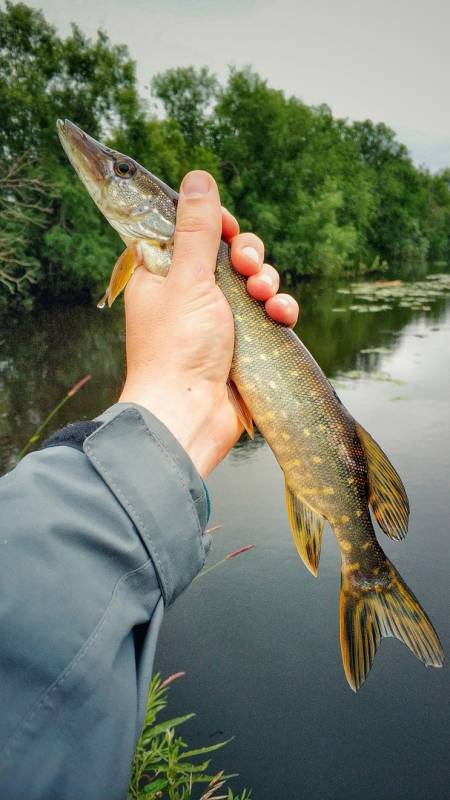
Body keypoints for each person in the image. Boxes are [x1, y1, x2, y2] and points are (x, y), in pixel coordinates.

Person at [0, 171, 299, 800]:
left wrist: (179, 403)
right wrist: (179, 399)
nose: (107, 173)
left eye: (123, 174)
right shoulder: (147, 251)